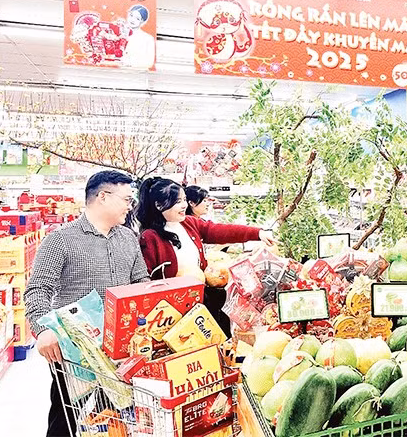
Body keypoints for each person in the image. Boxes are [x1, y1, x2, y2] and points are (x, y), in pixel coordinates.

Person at [24, 170, 149, 437]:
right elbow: (37, 289)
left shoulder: (128, 238)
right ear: (103, 196)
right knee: (66, 418)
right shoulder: (61, 239)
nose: (131, 206)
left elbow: (141, 282)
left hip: (122, 349)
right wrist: (42, 329)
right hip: (76, 351)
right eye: (127, 199)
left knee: (119, 420)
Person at [136, 177, 276, 336]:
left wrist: (257, 233)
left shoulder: (188, 223)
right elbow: (146, 282)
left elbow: (220, 231)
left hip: (202, 301)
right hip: (175, 311)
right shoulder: (149, 237)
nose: (184, 205)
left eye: (184, 200)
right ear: (159, 205)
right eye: (177, 202)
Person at [122, 4, 155, 69]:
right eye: (131, 15)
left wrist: (129, 63)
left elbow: (149, 62)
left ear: (142, 21)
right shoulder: (118, 32)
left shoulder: (148, 38)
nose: (132, 20)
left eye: (137, 18)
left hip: (137, 75)